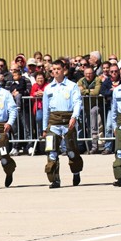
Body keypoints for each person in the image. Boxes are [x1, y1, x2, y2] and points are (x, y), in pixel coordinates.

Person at [42, 59, 84, 189]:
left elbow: (77, 102)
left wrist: (74, 116)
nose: (55, 71)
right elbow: (45, 110)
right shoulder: (48, 88)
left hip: (68, 122)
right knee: (52, 152)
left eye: (58, 69)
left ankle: (76, 172)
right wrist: (44, 128)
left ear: (63, 70)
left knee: (71, 151)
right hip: (54, 122)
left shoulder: (72, 86)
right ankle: (55, 180)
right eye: (53, 69)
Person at [78, 66, 102, 154]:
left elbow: (96, 92)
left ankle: (94, 146)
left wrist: (85, 91)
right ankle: (86, 146)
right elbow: (78, 91)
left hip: (95, 106)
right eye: (86, 73)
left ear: (93, 73)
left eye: (90, 73)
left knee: (93, 126)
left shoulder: (97, 80)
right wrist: (89, 91)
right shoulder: (81, 80)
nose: (88, 75)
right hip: (85, 106)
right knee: (86, 126)